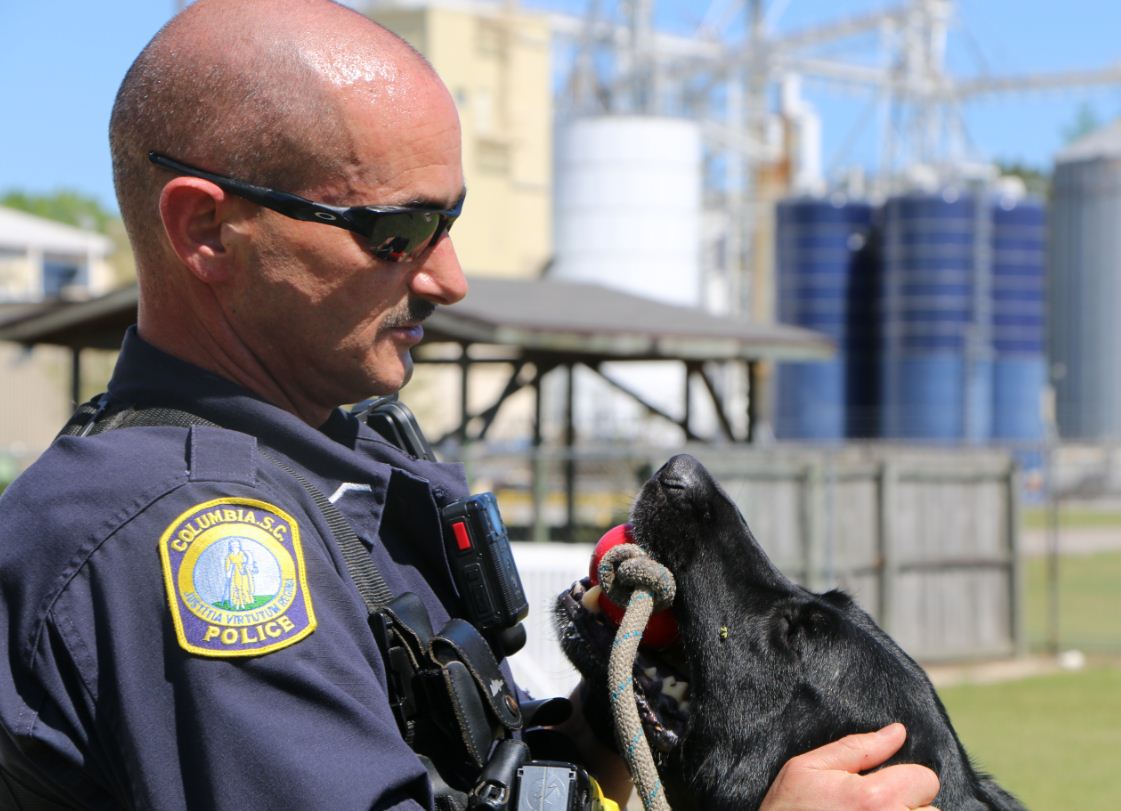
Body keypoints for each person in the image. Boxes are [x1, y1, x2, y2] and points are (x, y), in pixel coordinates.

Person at [0, 1, 940, 808]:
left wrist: (610, 722)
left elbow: (466, 774)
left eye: (447, 222)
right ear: (205, 228)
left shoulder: (344, 466)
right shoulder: (200, 543)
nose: (446, 277)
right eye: (395, 232)